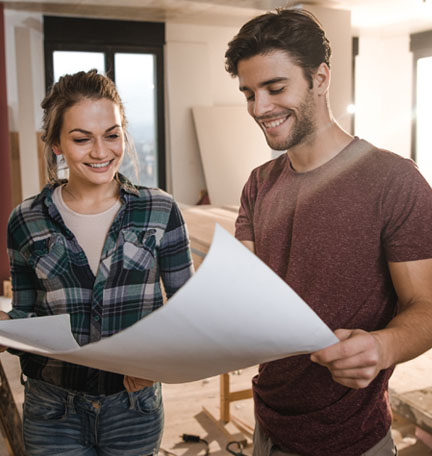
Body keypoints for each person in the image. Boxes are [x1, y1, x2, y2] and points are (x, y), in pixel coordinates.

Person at [225, 8, 432, 456]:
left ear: (320, 79)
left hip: (352, 438)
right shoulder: (259, 183)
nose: (259, 109)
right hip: (269, 424)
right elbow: (244, 296)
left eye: (275, 88)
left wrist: (383, 346)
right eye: (249, 93)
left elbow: (426, 307)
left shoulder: (394, 181)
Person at [0, 69, 193, 455]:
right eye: (81, 139)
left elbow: (189, 310)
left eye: (112, 134)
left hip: (133, 405)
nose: (101, 152)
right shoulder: (25, 220)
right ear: (56, 144)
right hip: (52, 406)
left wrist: (156, 364)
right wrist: (7, 332)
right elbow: (24, 314)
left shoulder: (159, 210)